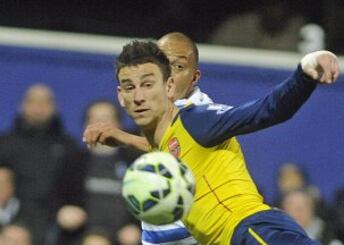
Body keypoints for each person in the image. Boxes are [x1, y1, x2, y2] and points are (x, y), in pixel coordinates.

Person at [83, 40, 339, 244]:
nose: (139, 97)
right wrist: (122, 138)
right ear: (120, 96)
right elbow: (174, 149)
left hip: (251, 231)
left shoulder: (197, 119)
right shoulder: (166, 141)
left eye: (148, 84)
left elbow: (266, 110)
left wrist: (304, 73)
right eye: (129, 87)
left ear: (169, 86)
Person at [84, 32, 211, 245]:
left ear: (194, 77)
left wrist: (123, 137)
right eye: (161, 63)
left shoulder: (202, 113)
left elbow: (176, 147)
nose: (168, 72)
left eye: (178, 66)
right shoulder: (154, 113)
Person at [0, 84, 86, 245]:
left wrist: (72, 208)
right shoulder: (4, 144)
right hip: (12, 219)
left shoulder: (69, 147)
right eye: (33, 101)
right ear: (22, 105)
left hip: (55, 221)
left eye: (44, 102)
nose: (38, 107)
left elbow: (77, 189)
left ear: (54, 107)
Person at [82, 100, 141, 245]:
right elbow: (57, 199)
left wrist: (137, 226)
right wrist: (65, 210)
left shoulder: (136, 162)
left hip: (126, 235)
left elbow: (149, 201)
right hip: (83, 233)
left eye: (106, 119)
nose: (100, 125)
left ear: (119, 125)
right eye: (95, 119)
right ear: (85, 125)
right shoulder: (73, 161)